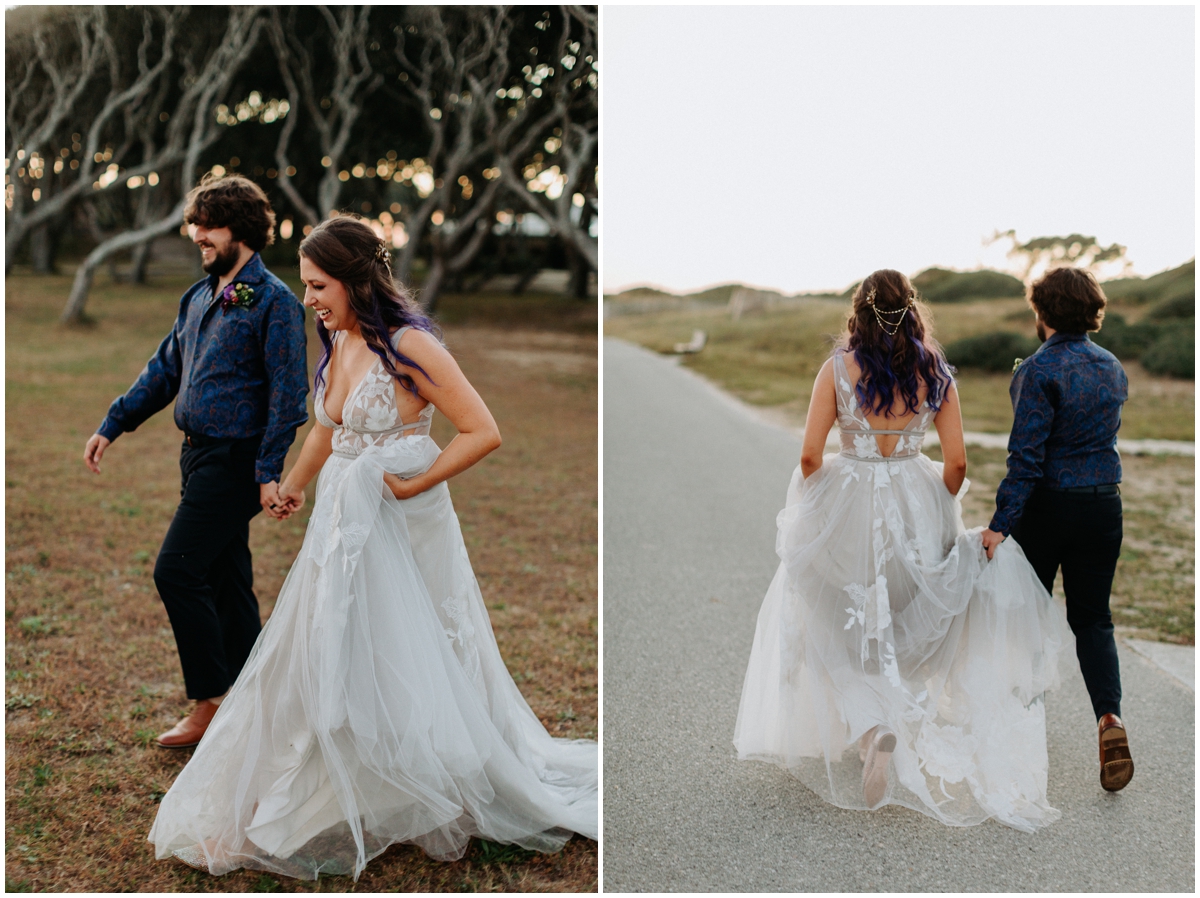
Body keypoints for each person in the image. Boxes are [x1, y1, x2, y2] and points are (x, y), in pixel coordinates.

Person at [148, 216, 598, 881]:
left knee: (405, 647)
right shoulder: (337, 337)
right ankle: (347, 767)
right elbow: (329, 430)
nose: (309, 300)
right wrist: (293, 487)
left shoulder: (411, 346)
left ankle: (425, 771)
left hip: (403, 520)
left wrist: (414, 484)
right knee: (332, 642)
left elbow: (482, 431)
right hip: (341, 517)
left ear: (356, 278)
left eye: (319, 285)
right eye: (304, 286)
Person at [734, 269, 1074, 833]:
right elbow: (958, 462)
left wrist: (822, 503)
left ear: (859, 312)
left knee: (828, 615)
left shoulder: (836, 369)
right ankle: (886, 719)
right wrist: (932, 503)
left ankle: (870, 728)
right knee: (908, 615)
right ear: (911, 310)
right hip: (916, 497)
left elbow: (811, 457)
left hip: (849, 500)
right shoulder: (935, 372)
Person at [83, 174, 308, 749]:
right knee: (227, 579)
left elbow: (288, 395)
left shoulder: (275, 303)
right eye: (195, 226)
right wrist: (115, 422)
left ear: (241, 229)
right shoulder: (200, 296)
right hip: (195, 455)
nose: (197, 236)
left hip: (235, 462)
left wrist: (267, 471)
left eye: (208, 227)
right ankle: (255, 701)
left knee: (177, 570)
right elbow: (165, 369)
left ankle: (213, 703)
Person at [981, 266, 1133, 792]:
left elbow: (1024, 459)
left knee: (1029, 617)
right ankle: (1109, 719)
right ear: (1092, 310)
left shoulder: (1038, 370)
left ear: (1040, 312)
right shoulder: (1112, 367)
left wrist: (1001, 525)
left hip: (1048, 508)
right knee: (1094, 619)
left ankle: (1023, 732)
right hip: (1102, 507)